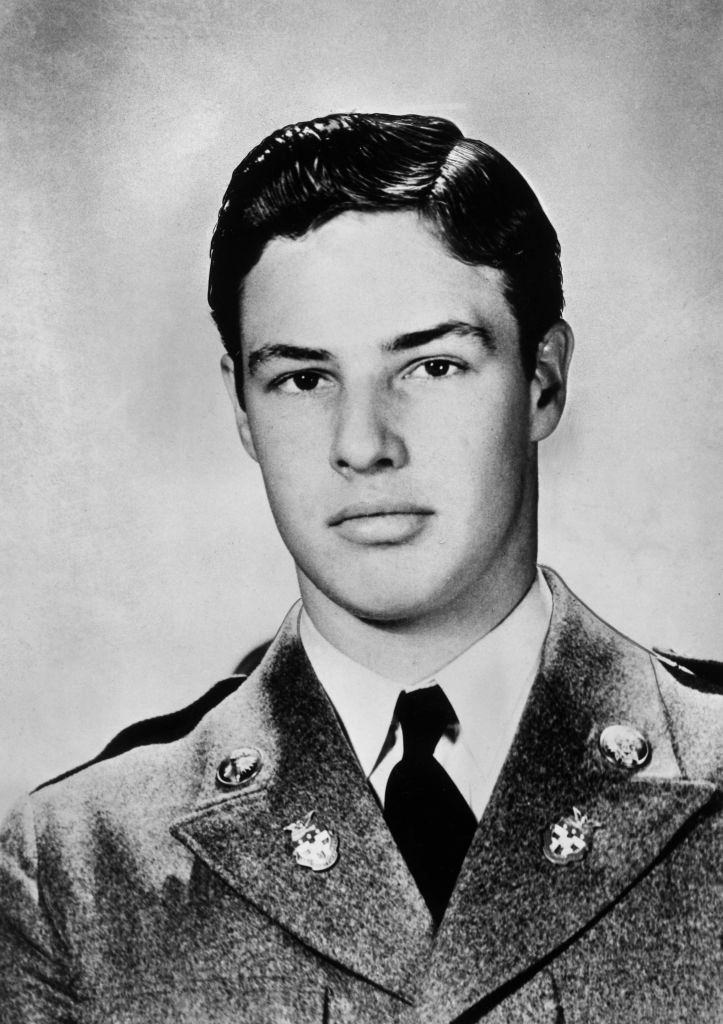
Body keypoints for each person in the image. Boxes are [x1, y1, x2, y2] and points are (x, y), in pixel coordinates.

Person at [0, 112, 720, 1023]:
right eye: (303, 379)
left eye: (430, 366)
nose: (362, 445)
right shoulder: (77, 869)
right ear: (241, 408)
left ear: (541, 378)